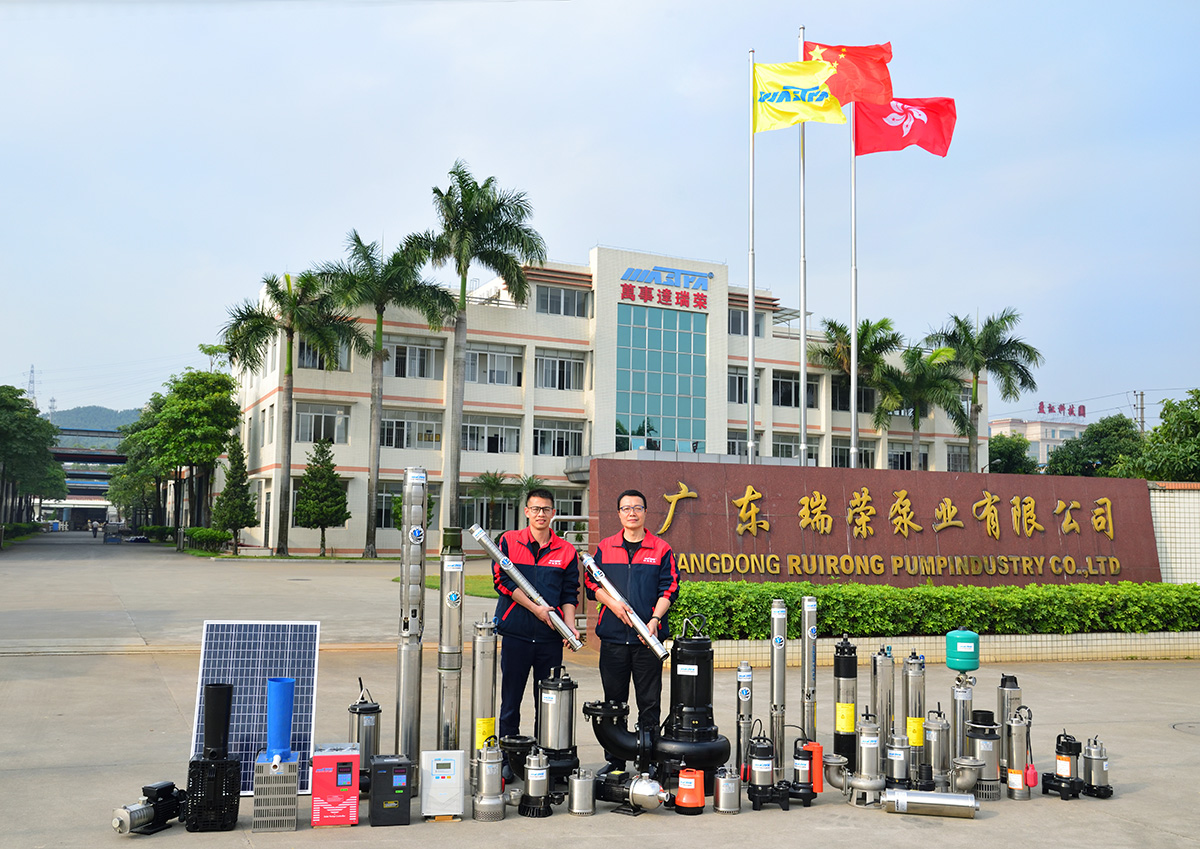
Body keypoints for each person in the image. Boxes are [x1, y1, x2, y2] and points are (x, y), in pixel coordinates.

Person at [585, 488, 679, 773]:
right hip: (613, 637)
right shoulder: (605, 547)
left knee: (648, 702)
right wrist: (612, 604)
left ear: (646, 512)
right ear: (619, 514)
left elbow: (670, 588)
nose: (632, 513)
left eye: (637, 508)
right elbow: (591, 586)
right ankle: (615, 761)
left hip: (646, 640)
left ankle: (648, 759)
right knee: (614, 702)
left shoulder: (661, 549)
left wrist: (653, 620)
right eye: (626, 509)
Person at [491, 488, 580, 780]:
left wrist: (568, 625)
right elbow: (502, 582)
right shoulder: (508, 541)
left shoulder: (566, 551)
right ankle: (508, 757)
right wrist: (535, 609)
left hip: (549, 639)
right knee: (510, 701)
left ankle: (544, 756)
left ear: (553, 513)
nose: (541, 514)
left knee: (547, 702)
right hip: (516, 634)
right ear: (526, 511)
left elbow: (569, 593)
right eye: (536, 509)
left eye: (546, 509)